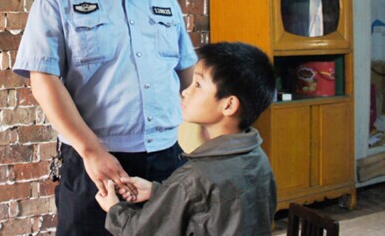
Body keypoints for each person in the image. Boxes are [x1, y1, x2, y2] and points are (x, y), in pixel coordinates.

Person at [13, 0, 198, 235]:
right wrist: (91, 151)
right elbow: (44, 81)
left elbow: (188, 70)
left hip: (165, 158)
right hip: (95, 162)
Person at [95, 41, 277, 236]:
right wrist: (158, 192)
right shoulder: (259, 159)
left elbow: (140, 231)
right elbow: (211, 208)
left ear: (229, 105)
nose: (185, 91)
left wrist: (114, 209)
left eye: (198, 84)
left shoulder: (193, 178)